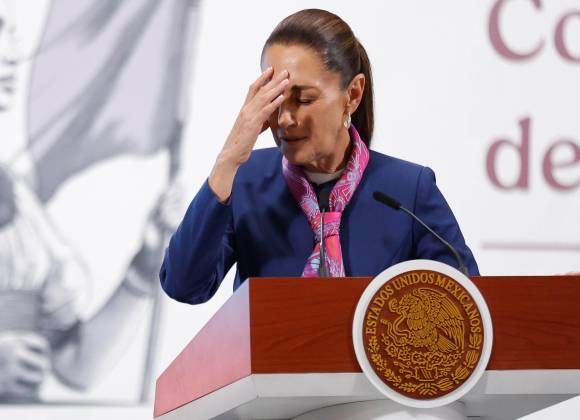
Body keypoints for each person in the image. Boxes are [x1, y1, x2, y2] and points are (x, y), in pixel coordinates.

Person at [160, 9, 479, 305]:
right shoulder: (245, 181)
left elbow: (467, 307)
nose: (285, 118)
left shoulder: (407, 190)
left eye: (303, 99)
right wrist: (227, 161)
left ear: (352, 94)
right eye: (276, 100)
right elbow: (183, 285)